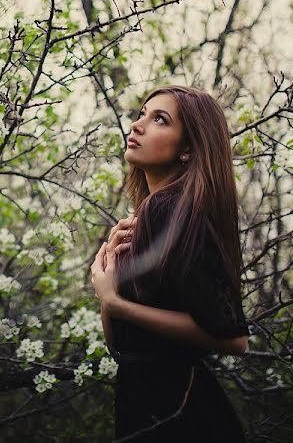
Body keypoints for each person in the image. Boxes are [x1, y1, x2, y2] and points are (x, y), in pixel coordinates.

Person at [90, 85, 251, 442]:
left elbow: (233, 339)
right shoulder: (154, 213)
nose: (137, 125)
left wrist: (115, 302)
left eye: (159, 119)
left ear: (188, 148)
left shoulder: (171, 211)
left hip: (178, 414)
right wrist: (111, 286)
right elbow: (122, 348)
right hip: (147, 405)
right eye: (141, 114)